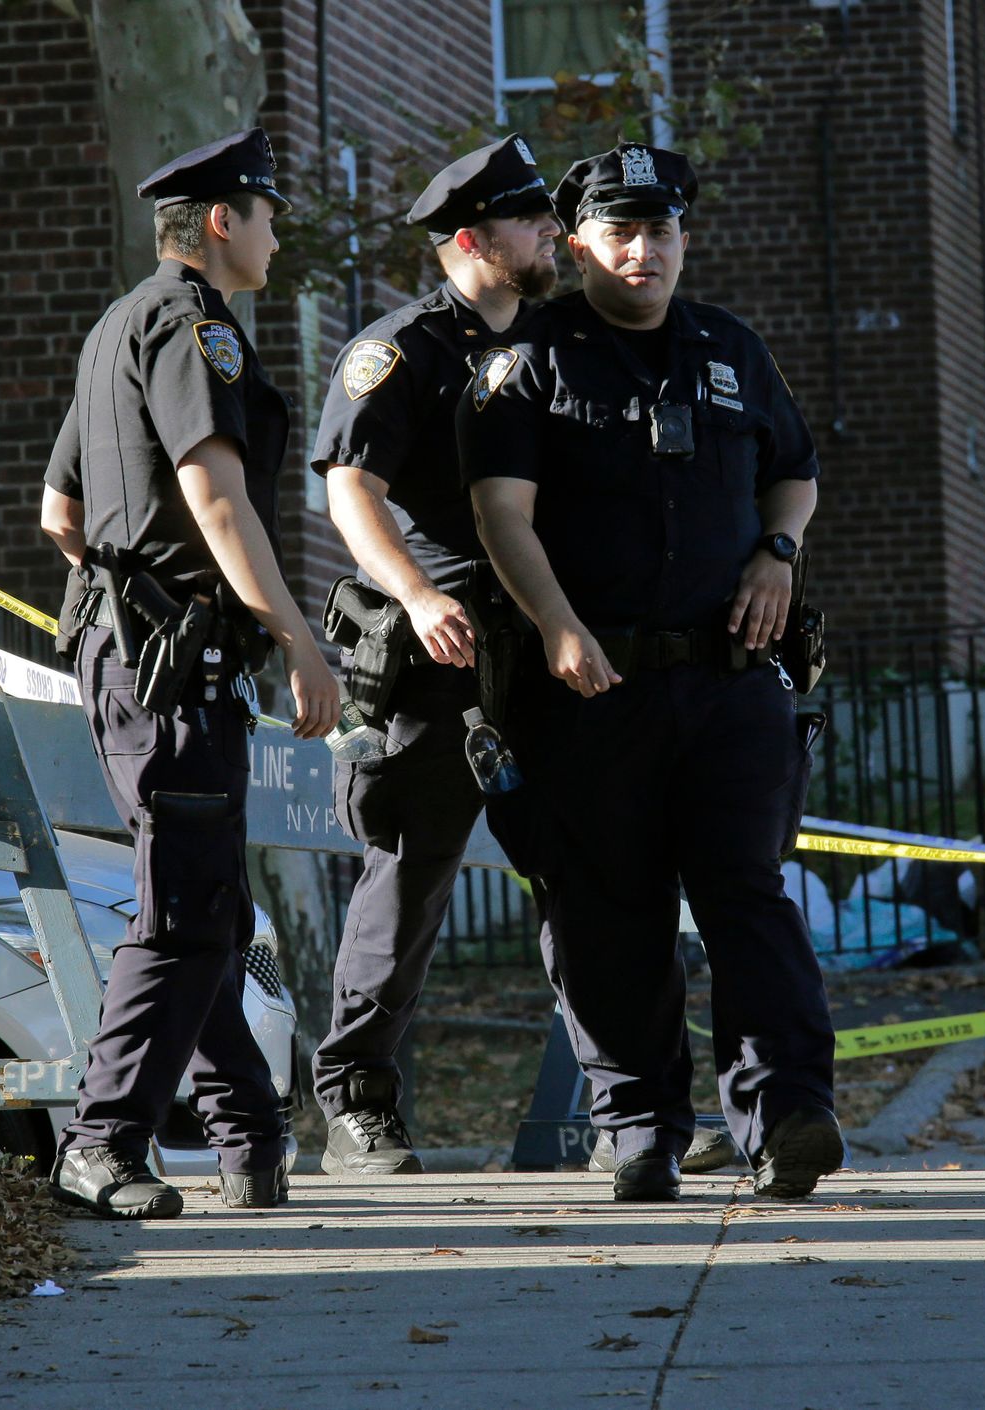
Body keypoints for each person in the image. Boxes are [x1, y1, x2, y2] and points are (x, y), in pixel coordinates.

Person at [308, 134, 731, 1180]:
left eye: (551, 217)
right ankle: (356, 1105)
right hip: (447, 651)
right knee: (412, 873)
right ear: (470, 238)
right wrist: (410, 595)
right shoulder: (400, 351)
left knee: (589, 879)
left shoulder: (559, 335)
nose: (553, 231)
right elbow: (347, 486)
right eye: (531, 219)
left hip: (559, 648)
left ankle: (625, 1114)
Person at [456, 143, 842, 1202]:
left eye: (661, 229)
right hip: (593, 690)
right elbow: (501, 513)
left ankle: (789, 1114)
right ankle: (639, 1127)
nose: (644, 249)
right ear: (576, 243)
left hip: (728, 684)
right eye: (620, 231)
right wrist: (556, 623)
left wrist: (777, 554)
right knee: (605, 909)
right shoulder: (528, 358)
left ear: (685, 238)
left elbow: (795, 474)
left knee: (748, 895)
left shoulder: (730, 348)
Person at [38, 128, 339, 1218]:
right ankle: (100, 1143)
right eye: (265, 212)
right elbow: (219, 501)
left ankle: (249, 1136)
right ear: (222, 221)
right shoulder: (190, 325)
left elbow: (59, 514)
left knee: (205, 903)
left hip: (135, 662)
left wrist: (132, 594)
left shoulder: (119, 323)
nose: (276, 232)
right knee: (185, 914)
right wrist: (298, 642)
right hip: (176, 672)